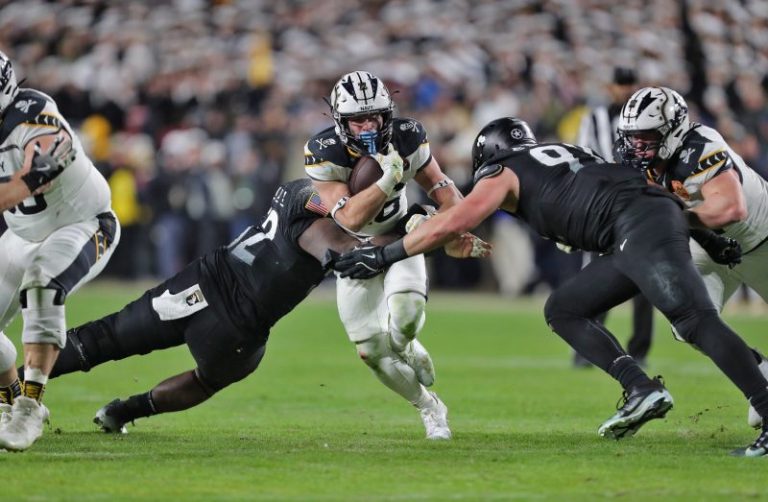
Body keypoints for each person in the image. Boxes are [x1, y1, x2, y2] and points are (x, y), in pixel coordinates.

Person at [333, 116, 768, 457]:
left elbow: (461, 217)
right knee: (564, 308)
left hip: (636, 227)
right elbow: (641, 188)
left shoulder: (503, 170)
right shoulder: (567, 152)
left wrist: (386, 254)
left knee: (694, 320)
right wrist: (708, 237)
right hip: (638, 226)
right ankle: (641, 388)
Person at [28, 179, 485, 434]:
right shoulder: (323, 224)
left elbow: (350, 227)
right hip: (239, 327)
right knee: (200, 380)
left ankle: (18, 392)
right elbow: (349, 252)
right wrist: (423, 238)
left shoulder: (299, 191)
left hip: (207, 287)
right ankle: (121, 411)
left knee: (106, 338)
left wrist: (422, 231)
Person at [304, 71, 480, 439]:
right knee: (371, 351)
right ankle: (430, 407)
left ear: (388, 113)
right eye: (358, 119)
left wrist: (457, 227)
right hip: (352, 251)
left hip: (399, 238)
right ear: (340, 122)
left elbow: (444, 191)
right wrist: (387, 179)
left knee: (405, 316)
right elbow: (351, 217)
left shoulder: (408, 135)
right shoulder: (324, 152)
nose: (368, 126)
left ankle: (407, 343)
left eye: (375, 116)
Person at [615, 86, 768, 428]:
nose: (637, 147)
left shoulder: (699, 146)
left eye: (647, 137)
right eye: (632, 137)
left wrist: (670, 215)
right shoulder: (648, 162)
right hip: (710, 244)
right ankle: (762, 375)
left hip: (760, 239)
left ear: (674, 130)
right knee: (688, 319)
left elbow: (732, 207)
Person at [0, 51, 120, 451]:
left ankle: (30, 407)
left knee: (42, 287)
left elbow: (45, 167)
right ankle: (9, 400)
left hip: (81, 222)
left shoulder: (30, 110)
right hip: (21, 233)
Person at [573, 67, 654, 368]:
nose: (625, 90)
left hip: (638, 204)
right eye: (621, 85)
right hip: (603, 204)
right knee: (594, 274)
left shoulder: (647, 118)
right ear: (611, 87)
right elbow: (582, 157)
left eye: (629, 84)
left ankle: (640, 350)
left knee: (645, 278)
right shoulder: (594, 118)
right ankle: (586, 346)